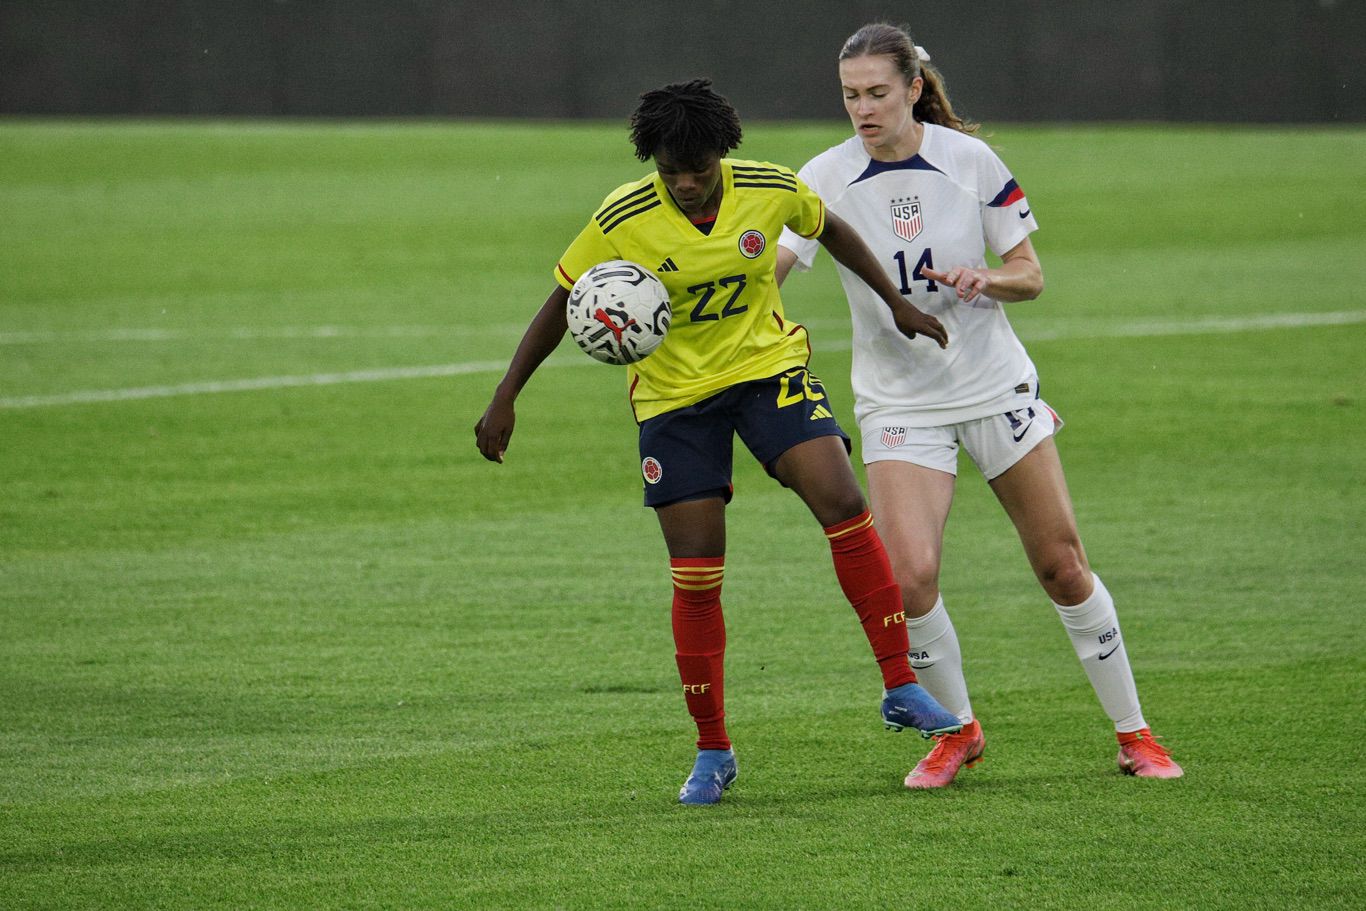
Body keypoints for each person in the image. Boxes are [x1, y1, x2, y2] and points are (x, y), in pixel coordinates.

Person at [476, 78, 965, 806]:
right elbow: (562, 299)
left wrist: (894, 303)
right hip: (675, 401)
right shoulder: (622, 216)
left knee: (841, 499)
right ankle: (713, 750)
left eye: (698, 169)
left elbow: (829, 227)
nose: (685, 183)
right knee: (698, 570)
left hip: (768, 371)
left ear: (722, 155)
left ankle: (900, 684)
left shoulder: (769, 188)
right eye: (670, 170)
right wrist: (507, 392)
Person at [776, 23, 1182, 787]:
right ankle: (958, 731)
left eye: (877, 93)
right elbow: (777, 264)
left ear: (913, 89)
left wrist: (983, 278)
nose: (862, 109)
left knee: (1061, 565)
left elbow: (1029, 273)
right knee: (909, 578)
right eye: (850, 95)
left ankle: (1136, 733)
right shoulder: (822, 177)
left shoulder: (969, 161)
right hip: (899, 400)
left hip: (994, 386)